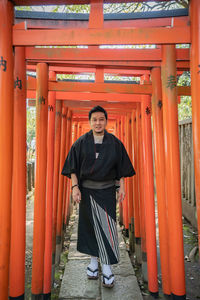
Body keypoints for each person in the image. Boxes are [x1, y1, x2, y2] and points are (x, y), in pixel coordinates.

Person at [62, 106, 135, 288]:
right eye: (94, 119)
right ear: (90, 121)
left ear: (106, 121)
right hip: (87, 192)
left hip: (107, 192)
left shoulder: (115, 143)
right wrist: (75, 187)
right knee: (89, 228)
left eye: (101, 119)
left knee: (107, 228)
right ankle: (93, 263)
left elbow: (121, 168)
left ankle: (107, 267)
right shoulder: (81, 142)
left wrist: (121, 187)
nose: (98, 122)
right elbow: (72, 167)